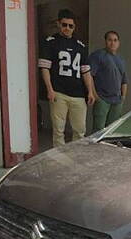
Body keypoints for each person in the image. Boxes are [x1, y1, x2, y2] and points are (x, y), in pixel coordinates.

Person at [38, 9, 95, 147]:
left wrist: (90, 91)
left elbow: (85, 71)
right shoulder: (50, 42)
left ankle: (76, 157)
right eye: (64, 25)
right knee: (58, 130)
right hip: (59, 92)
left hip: (78, 94)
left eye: (71, 26)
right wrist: (50, 89)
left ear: (74, 27)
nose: (67, 28)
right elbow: (45, 68)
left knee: (80, 130)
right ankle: (60, 159)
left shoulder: (80, 46)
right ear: (58, 24)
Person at [88, 31, 128, 131]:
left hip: (117, 101)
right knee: (99, 131)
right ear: (105, 41)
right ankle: (97, 148)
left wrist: (123, 97)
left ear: (118, 43)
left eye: (115, 40)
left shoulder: (121, 59)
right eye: (110, 40)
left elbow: (124, 80)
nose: (112, 43)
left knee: (111, 131)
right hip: (102, 99)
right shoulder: (98, 55)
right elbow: (90, 75)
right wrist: (95, 95)